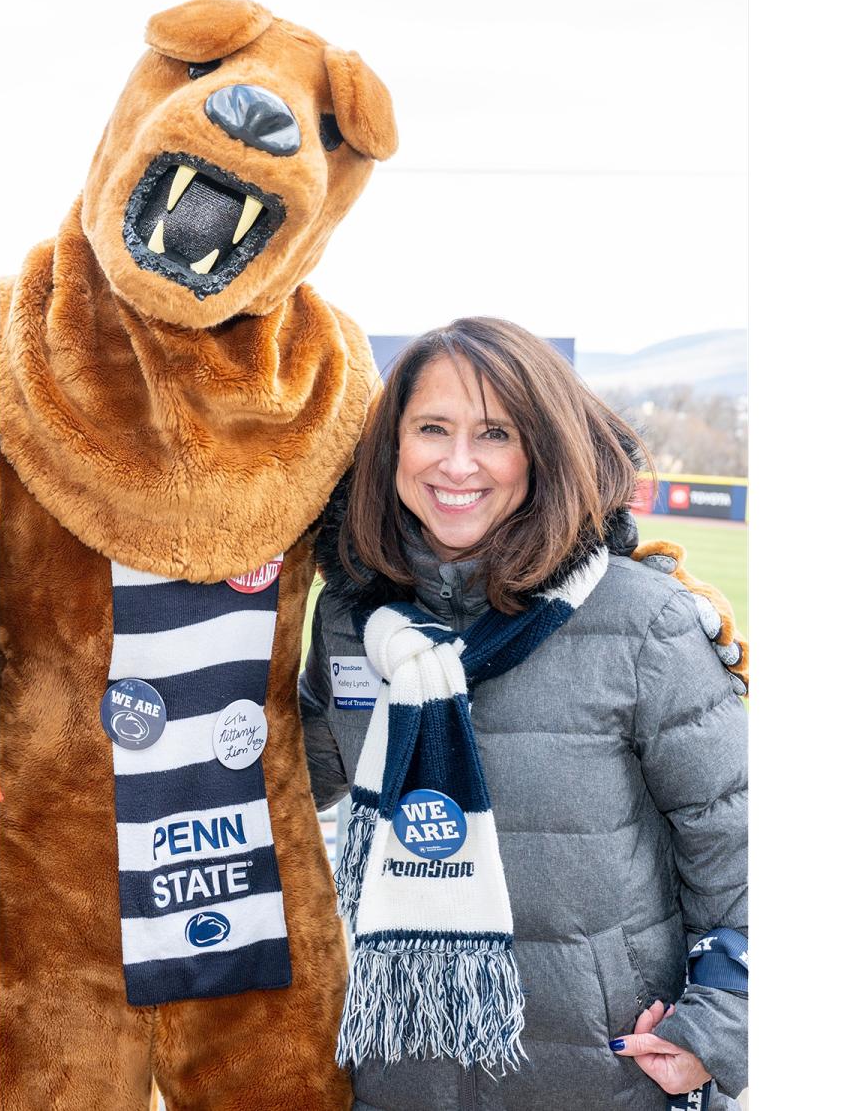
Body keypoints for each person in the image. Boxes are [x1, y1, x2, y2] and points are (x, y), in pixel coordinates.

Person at [299, 317, 748, 1111]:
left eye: (495, 432)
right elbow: (288, 779)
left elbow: (741, 848)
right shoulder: (349, 620)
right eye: (431, 427)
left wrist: (715, 1029)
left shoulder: (645, 622)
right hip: (402, 1079)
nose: (459, 462)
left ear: (540, 449)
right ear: (390, 449)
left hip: (600, 1082)